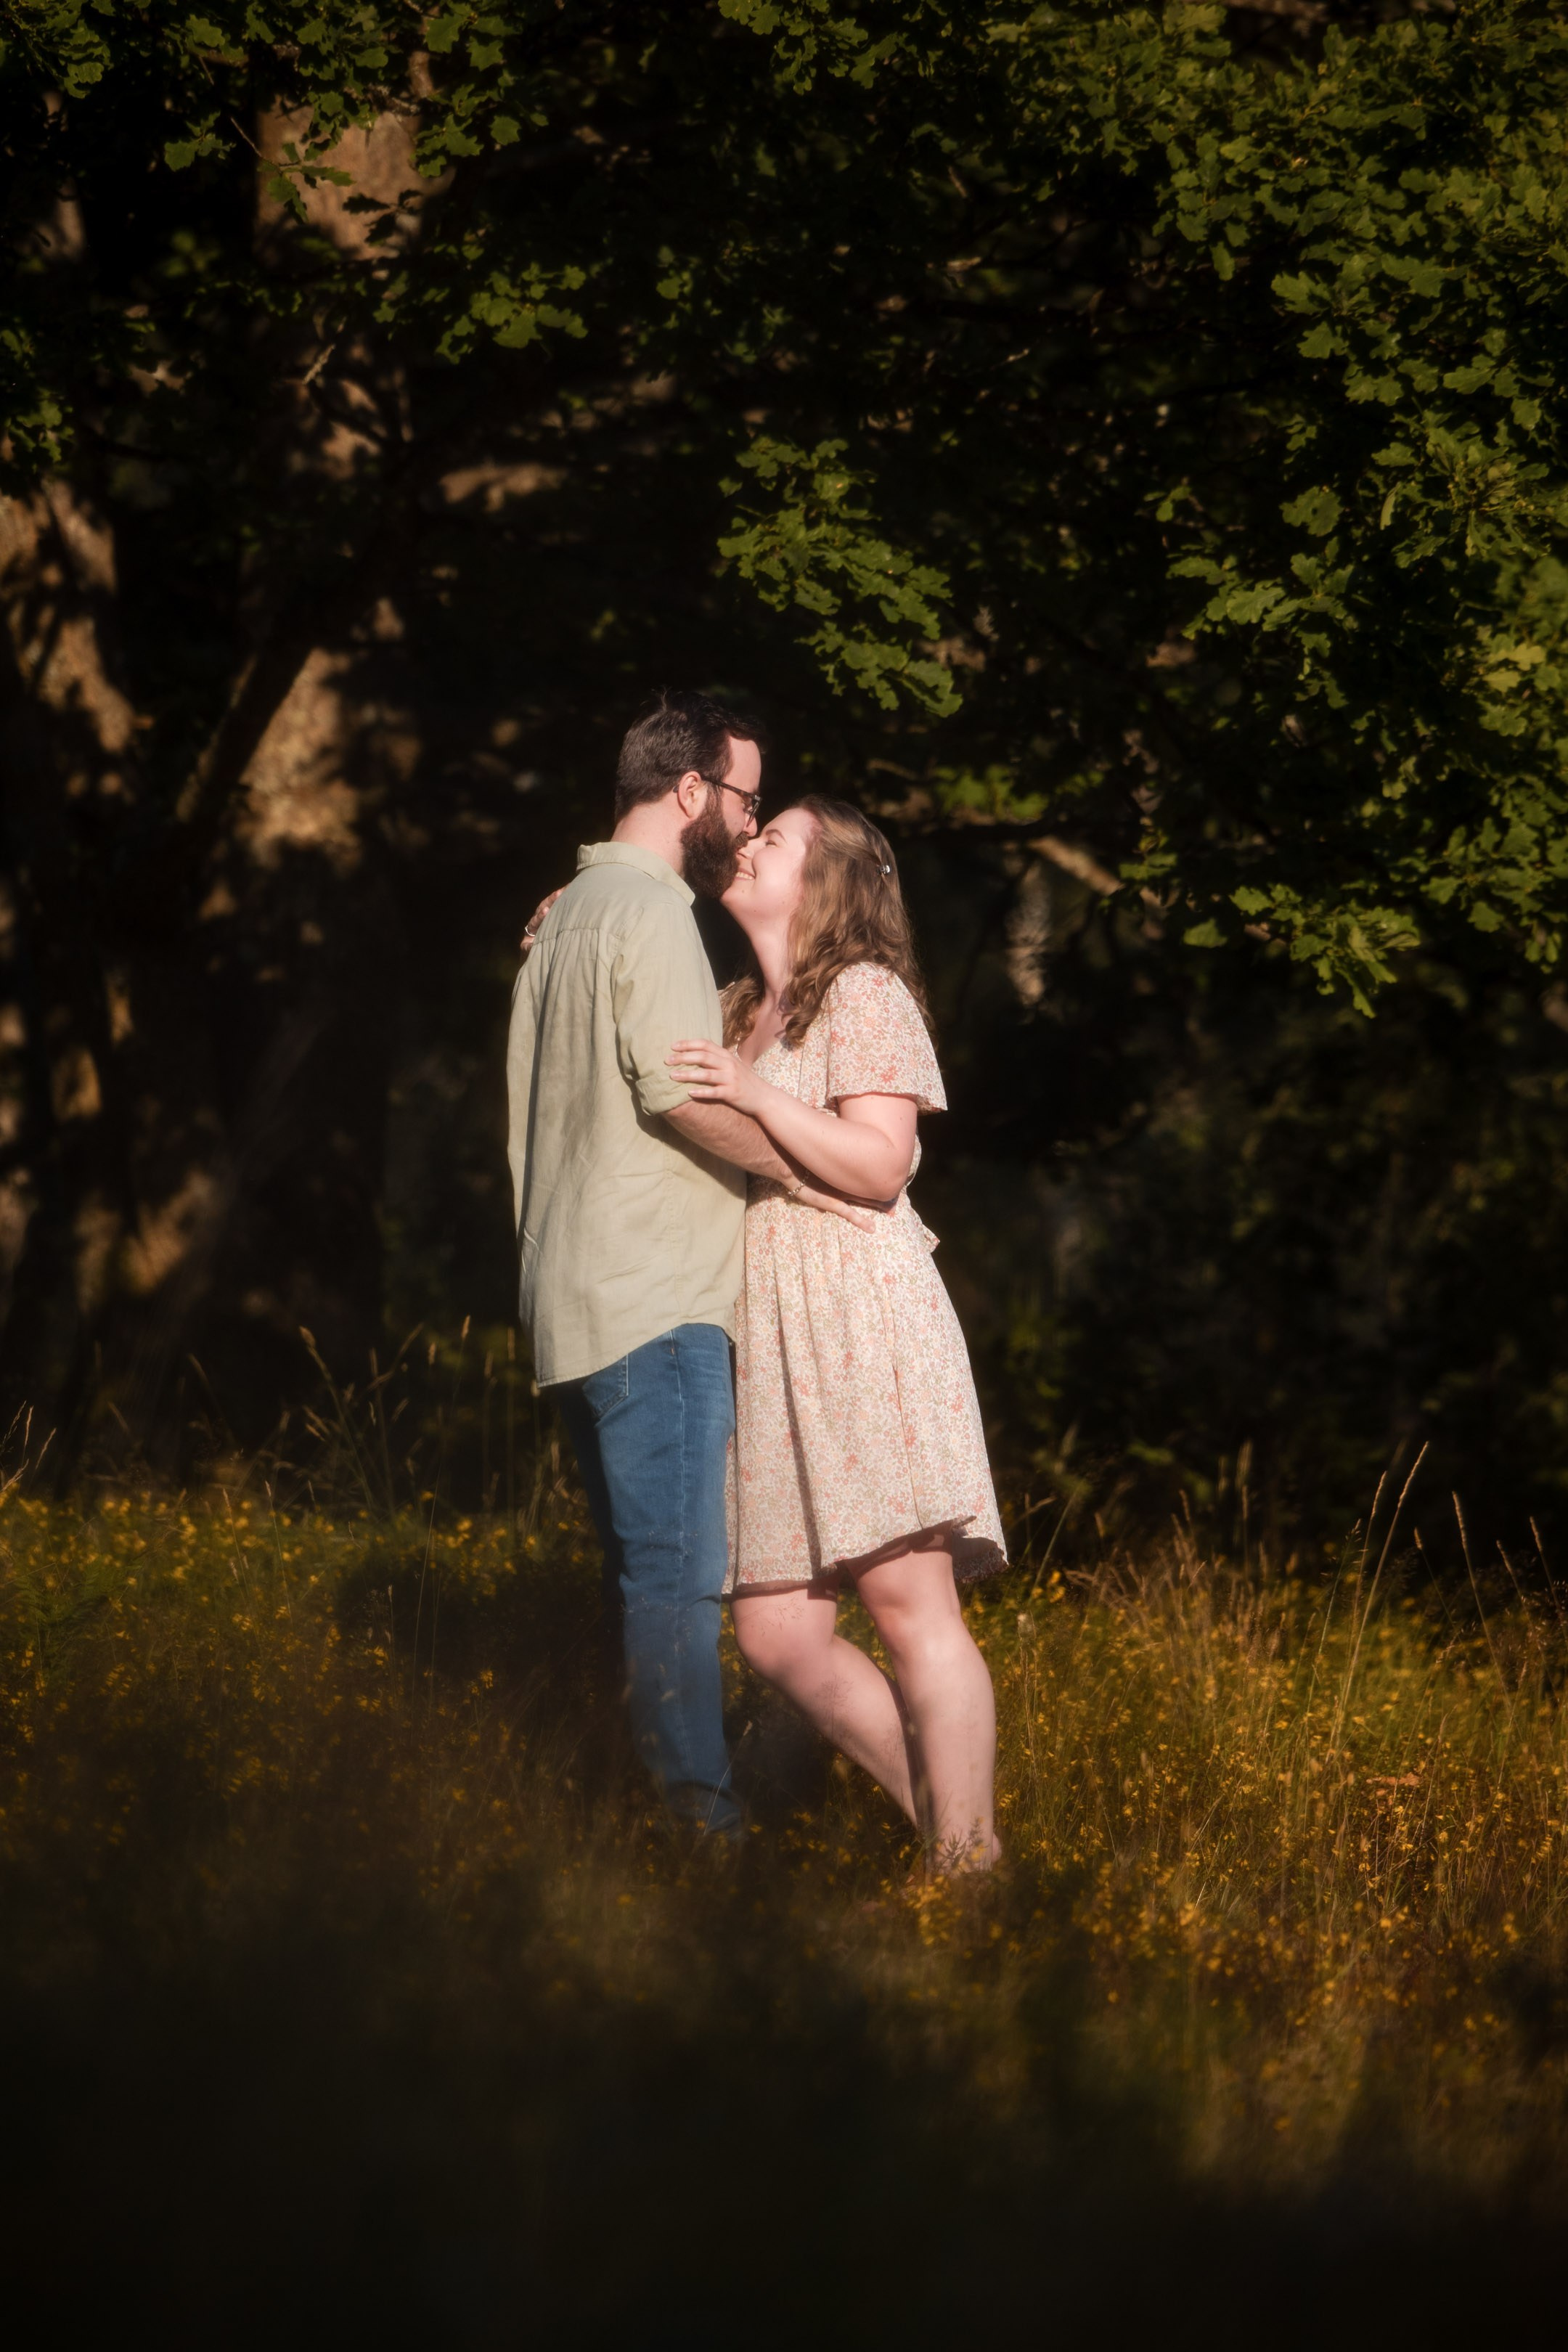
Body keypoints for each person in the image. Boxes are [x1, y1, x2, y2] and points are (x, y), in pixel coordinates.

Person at [505, 696, 870, 1839]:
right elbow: (679, 1097)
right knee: (674, 1583)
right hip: (655, 1299)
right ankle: (700, 1838)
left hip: (570, 1294)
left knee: (643, 1577)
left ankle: (674, 1818)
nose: (748, 822)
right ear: (691, 792)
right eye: (747, 797)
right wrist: (816, 1181)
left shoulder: (564, 919)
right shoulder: (652, 913)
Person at [666, 798, 1007, 1872]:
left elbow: (880, 1165)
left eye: (775, 840)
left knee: (910, 1605)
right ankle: (962, 1843)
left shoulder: (865, 993)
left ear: (828, 883)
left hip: (862, 1315)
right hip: (767, 1332)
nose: (751, 843)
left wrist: (757, 1096)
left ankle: (963, 1864)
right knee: (775, 1634)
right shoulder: (735, 1010)